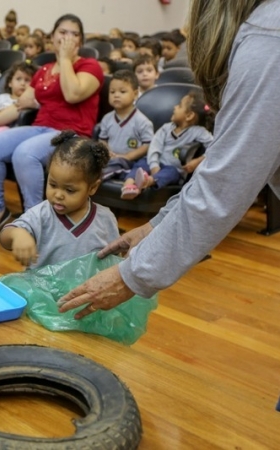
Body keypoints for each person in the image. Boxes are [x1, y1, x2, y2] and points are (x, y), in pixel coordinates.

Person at [58, 0, 275, 319]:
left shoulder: (268, 41)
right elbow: (214, 175)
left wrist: (130, 276)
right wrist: (154, 227)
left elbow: (221, 188)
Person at [0, 14, 103, 234]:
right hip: (41, 127)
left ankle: (34, 219)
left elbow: (73, 94)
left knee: (24, 153)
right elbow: (18, 106)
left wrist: (64, 59)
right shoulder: (44, 70)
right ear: (53, 36)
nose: (68, 38)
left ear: (80, 42)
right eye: (62, 32)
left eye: (74, 34)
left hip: (72, 134)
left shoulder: (90, 66)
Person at [0, 131, 119, 268]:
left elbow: (114, 260)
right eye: (53, 185)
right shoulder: (41, 214)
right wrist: (18, 234)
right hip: (40, 288)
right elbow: (5, 237)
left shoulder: (106, 219)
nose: (58, 195)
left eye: (69, 190)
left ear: (92, 188)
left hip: (86, 289)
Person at [120, 90, 213, 199]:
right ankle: (128, 186)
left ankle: (147, 181)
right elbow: (155, 146)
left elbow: (216, 146)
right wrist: (154, 165)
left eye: (179, 106)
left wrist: (198, 161)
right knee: (141, 164)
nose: (174, 107)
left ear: (189, 115)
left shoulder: (198, 132)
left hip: (174, 169)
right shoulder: (166, 128)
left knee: (171, 173)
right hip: (154, 162)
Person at [99, 70, 154, 180]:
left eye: (122, 92)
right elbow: (102, 140)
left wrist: (127, 156)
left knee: (118, 163)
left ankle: (99, 177)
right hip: (110, 159)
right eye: (112, 92)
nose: (116, 95)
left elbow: (147, 146)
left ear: (135, 94)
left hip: (131, 162)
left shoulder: (142, 121)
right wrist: (108, 153)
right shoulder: (107, 118)